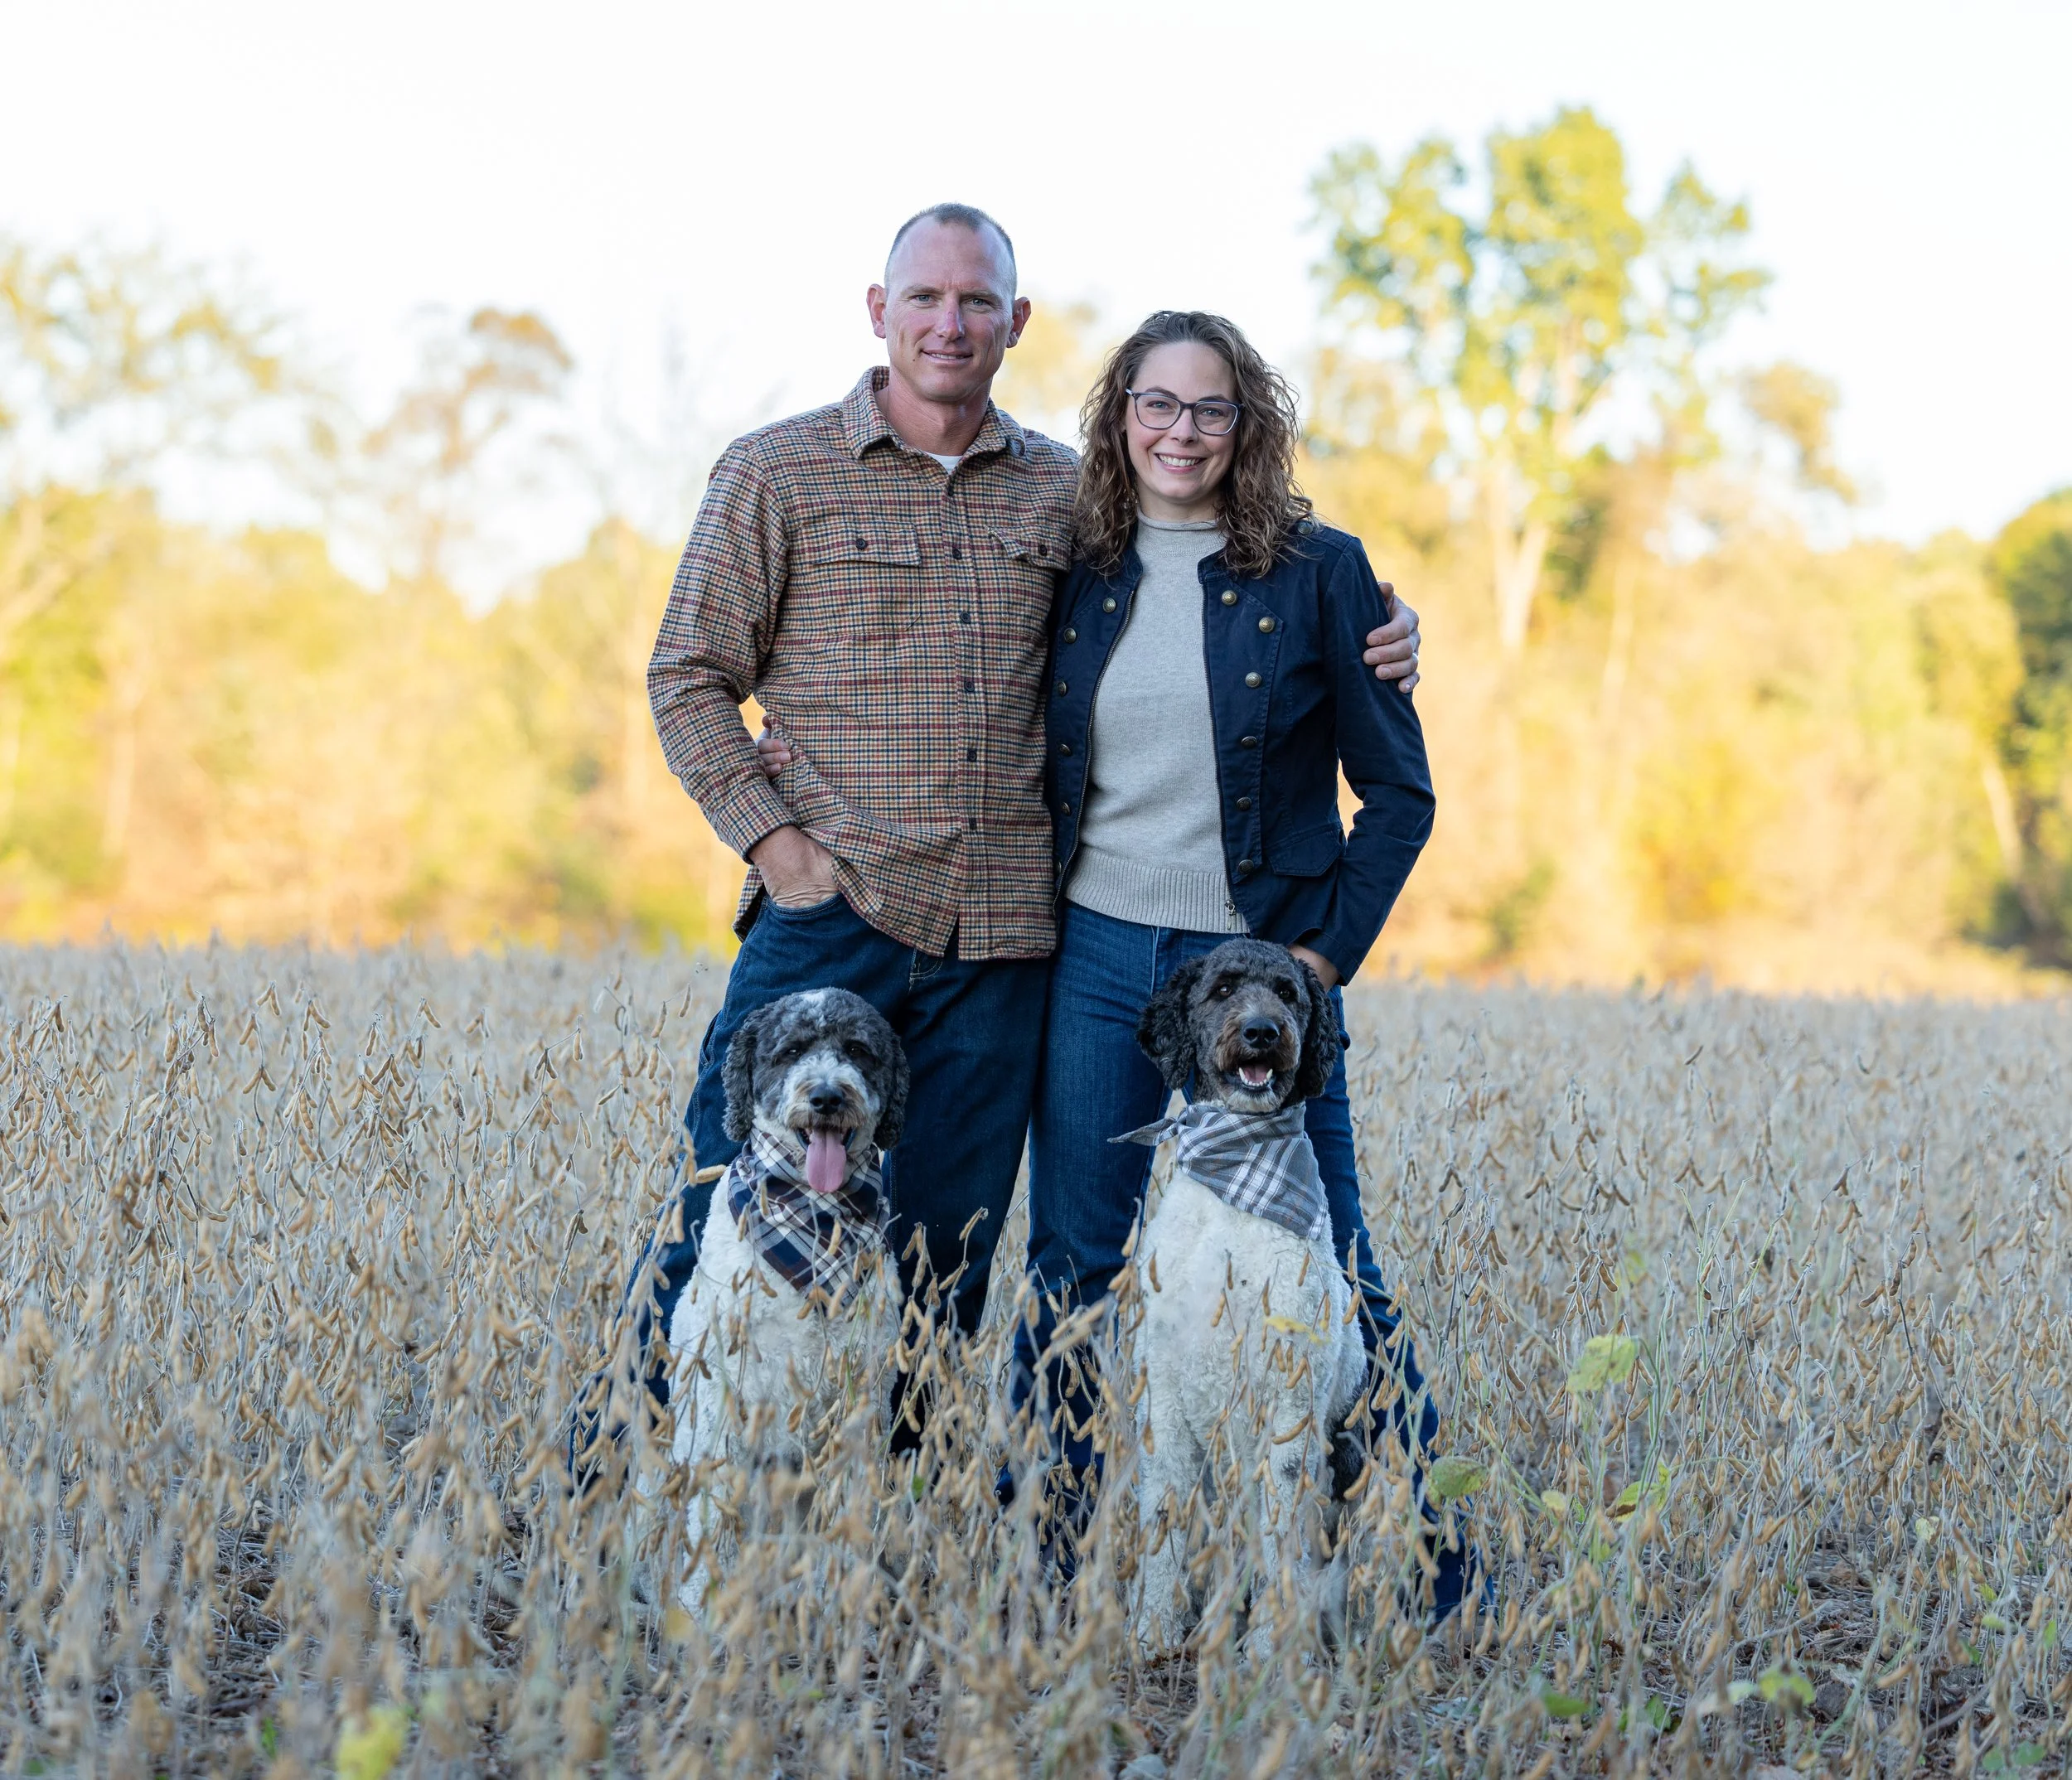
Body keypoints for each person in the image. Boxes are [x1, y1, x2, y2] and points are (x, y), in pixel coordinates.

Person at [570, 206, 1421, 1480]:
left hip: (1007, 945)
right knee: (721, 1207)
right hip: (830, 923)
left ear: (1017, 323)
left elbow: (1219, 578)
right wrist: (778, 849)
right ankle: (605, 1490)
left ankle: (900, 1512)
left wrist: (1383, 628)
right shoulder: (777, 472)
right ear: (880, 309)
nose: (949, 323)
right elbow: (687, 675)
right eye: (924, 298)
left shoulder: (1067, 498)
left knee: (946, 1250)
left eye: (978, 302)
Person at [1009, 308, 1474, 1620]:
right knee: (1076, 1265)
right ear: (1119, 418)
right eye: (1156, 405)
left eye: (1211, 408)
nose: (1182, 432)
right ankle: (1059, 1575)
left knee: (1337, 1261)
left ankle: (1435, 1581)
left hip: (1261, 964)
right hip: (1099, 959)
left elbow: (1401, 795)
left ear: (1248, 424)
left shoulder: (1324, 573)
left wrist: (1317, 964)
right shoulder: (1073, 561)